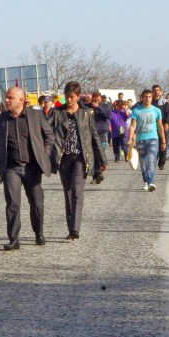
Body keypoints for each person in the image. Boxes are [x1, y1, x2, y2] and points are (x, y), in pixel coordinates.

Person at [0, 86, 54, 250]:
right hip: (11, 168)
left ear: (21, 100)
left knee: (37, 202)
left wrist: (45, 153)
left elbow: (49, 135)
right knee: (12, 203)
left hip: (32, 167)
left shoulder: (35, 115)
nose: (6, 100)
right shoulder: (0, 119)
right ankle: (14, 239)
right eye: (6, 97)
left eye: (10, 98)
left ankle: (39, 233)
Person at [50, 81, 107, 240]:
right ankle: (71, 228)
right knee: (68, 193)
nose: (69, 100)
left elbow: (94, 137)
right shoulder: (57, 113)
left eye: (72, 97)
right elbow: (46, 132)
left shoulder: (87, 113)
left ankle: (75, 229)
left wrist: (103, 160)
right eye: (67, 97)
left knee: (77, 190)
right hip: (63, 158)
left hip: (81, 158)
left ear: (78, 96)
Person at [128, 89, 166, 192]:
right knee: (143, 163)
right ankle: (145, 179)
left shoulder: (156, 110)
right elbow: (132, 126)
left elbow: (160, 126)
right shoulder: (137, 110)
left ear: (152, 98)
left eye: (149, 97)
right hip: (140, 140)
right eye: (145, 97)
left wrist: (163, 141)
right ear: (142, 98)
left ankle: (151, 182)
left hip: (153, 138)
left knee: (151, 159)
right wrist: (130, 139)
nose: (148, 99)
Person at [85, 90, 110, 183]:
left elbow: (108, 116)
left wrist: (99, 107)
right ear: (92, 99)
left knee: (100, 153)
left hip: (101, 133)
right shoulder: (87, 107)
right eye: (95, 101)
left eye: (98, 100)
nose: (96, 102)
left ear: (101, 99)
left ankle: (98, 173)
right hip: (90, 134)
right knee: (93, 154)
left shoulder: (105, 106)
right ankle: (97, 175)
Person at [151, 85, 169, 170]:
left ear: (160, 92)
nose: (156, 92)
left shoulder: (164, 102)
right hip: (151, 126)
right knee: (153, 145)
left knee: (163, 144)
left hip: (162, 125)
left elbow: (168, 114)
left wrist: (167, 123)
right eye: (154, 90)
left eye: (158, 90)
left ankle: (161, 163)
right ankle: (153, 161)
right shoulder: (149, 101)